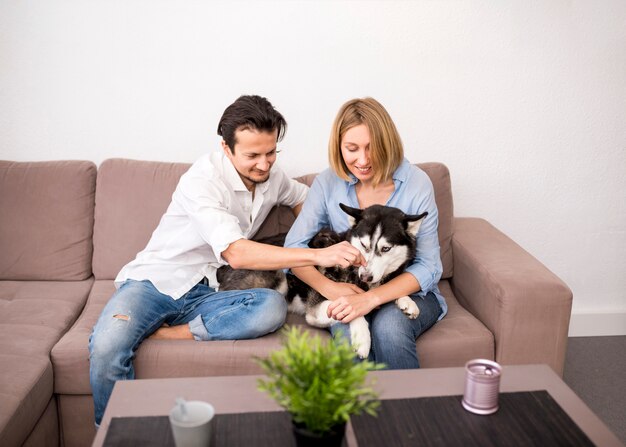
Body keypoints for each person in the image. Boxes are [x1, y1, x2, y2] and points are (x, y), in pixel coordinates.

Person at [88, 95, 364, 426]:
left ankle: (165, 334)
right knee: (106, 349)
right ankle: (118, 435)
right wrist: (318, 253)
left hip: (213, 291)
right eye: (252, 156)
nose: (264, 164)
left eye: (271, 152)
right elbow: (237, 252)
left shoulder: (271, 178)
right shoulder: (201, 181)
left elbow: (303, 198)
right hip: (156, 283)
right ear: (226, 147)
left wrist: (311, 235)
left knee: (271, 307)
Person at [284, 97, 447, 369]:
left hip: (409, 291)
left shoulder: (417, 183)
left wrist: (370, 300)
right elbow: (294, 250)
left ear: (388, 143)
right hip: (348, 287)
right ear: (339, 147)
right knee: (348, 333)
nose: (362, 160)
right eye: (352, 148)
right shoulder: (327, 183)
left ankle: (409, 411)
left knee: (390, 330)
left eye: (372, 148)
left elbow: (429, 265)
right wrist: (332, 289)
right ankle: (358, 412)